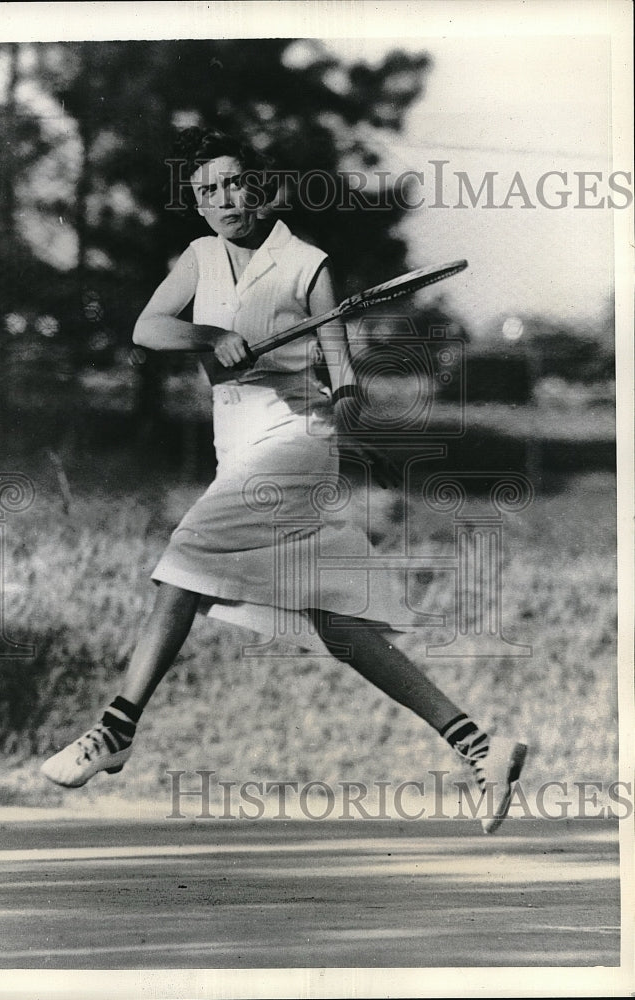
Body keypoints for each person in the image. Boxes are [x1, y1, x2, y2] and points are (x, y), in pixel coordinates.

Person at [41, 126, 526, 833]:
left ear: (261, 189)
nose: (223, 199)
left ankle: (116, 728)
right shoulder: (200, 258)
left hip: (296, 444)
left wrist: (343, 395)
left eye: (235, 183)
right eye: (207, 191)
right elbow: (149, 328)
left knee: (182, 565)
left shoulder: (307, 265)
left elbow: (345, 377)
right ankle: (481, 746)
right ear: (199, 204)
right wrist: (211, 337)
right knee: (337, 624)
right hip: (238, 452)